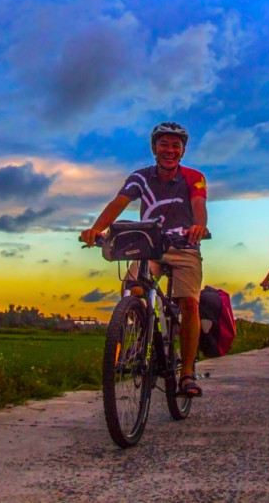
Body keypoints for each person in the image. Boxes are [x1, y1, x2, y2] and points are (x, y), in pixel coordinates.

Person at [80, 121, 209, 398]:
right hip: (150, 245)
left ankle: (186, 373)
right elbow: (120, 202)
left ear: (183, 151)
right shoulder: (140, 177)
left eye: (176, 145)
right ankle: (140, 336)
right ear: (154, 148)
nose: (169, 150)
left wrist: (198, 227)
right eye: (164, 144)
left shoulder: (194, 177)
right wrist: (97, 228)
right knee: (133, 287)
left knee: (189, 302)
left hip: (183, 246)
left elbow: (199, 204)